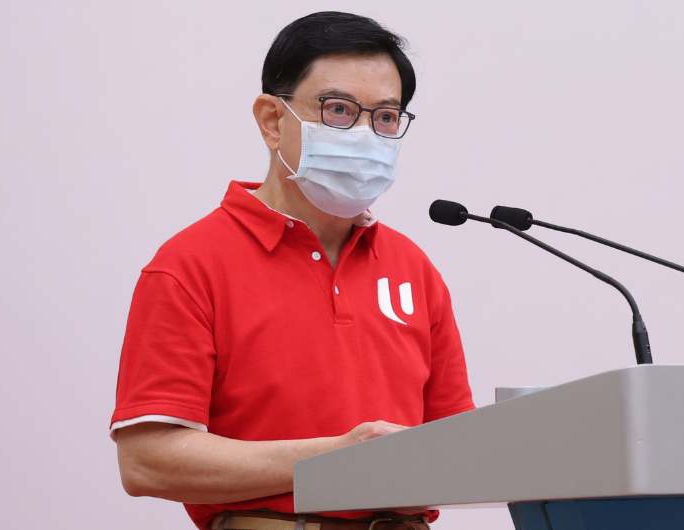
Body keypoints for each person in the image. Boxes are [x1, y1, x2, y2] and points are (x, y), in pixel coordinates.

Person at [110, 12, 474, 530]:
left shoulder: (413, 268)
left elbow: (459, 450)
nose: (366, 134)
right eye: (338, 109)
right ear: (272, 120)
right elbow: (146, 461)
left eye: (386, 116)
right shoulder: (190, 265)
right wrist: (334, 457)